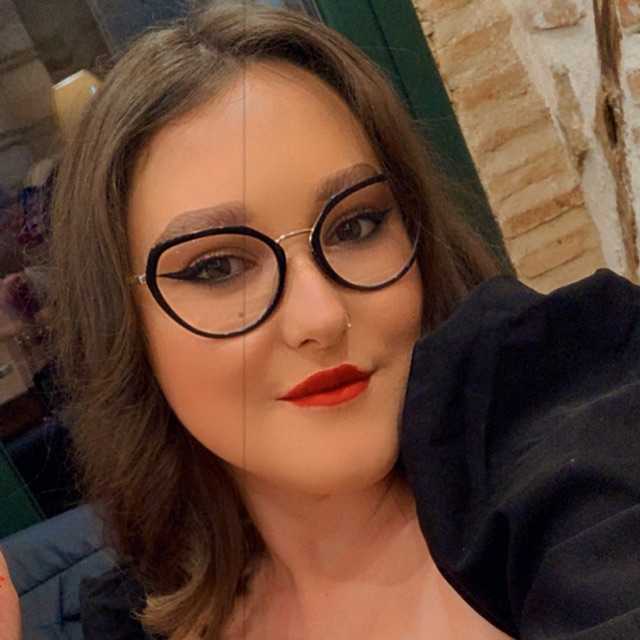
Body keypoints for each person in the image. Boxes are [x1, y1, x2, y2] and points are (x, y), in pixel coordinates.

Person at [1, 3, 639, 639]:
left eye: (355, 226)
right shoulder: (136, 621)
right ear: (123, 326)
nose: (322, 316)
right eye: (218, 267)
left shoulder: (573, 470)